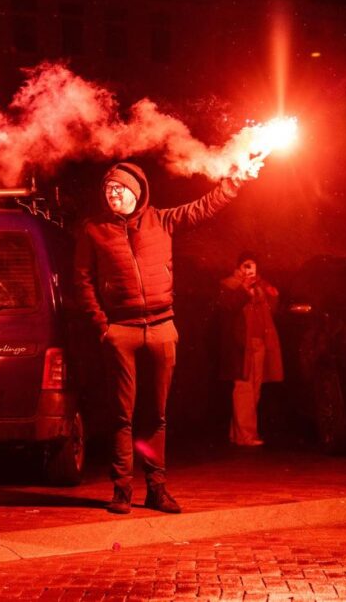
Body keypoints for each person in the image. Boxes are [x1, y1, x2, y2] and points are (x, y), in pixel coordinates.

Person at [74, 162, 247, 516]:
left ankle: (156, 488)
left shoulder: (161, 220)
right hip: (121, 331)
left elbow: (202, 208)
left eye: (120, 189)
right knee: (123, 416)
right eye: (108, 190)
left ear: (136, 191)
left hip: (162, 327)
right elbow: (82, 281)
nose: (113, 194)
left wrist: (232, 185)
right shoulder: (94, 230)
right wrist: (103, 326)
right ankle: (122, 490)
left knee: (156, 416)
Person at [218, 252, 283, 447]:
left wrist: (270, 294)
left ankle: (238, 434)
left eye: (253, 266)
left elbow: (271, 312)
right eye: (246, 265)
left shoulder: (259, 286)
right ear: (238, 268)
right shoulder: (229, 285)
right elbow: (229, 307)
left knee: (255, 391)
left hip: (259, 343)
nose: (250, 270)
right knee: (244, 390)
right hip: (242, 345)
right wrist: (244, 289)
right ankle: (246, 436)